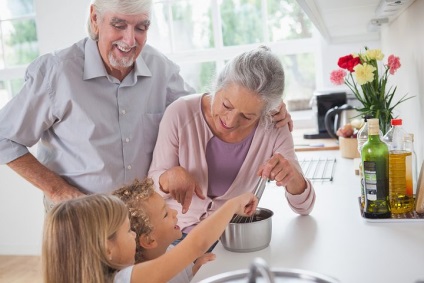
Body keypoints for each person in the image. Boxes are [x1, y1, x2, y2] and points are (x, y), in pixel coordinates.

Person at [0, 0, 292, 209]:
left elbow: (206, 113)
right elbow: (5, 137)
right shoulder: (56, 73)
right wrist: (59, 191)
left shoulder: (160, 69)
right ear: (94, 18)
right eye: (119, 25)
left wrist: (269, 108)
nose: (130, 40)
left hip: (144, 223)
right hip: (81, 220)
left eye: (141, 27)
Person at [148, 46, 316, 240]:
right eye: (226, 105)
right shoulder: (180, 113)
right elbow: (151, 189)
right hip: (174, 238)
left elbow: (304, 207)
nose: (230, 121)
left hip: (232, 240)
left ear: (266, 111)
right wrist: (168, 178)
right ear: (218, 86)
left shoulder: (274, 125)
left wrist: (292, 177)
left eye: (247, 116)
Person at [42, 191, 258, 283]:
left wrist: (192, 271)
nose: (134, 235)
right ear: (107, 249)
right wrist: (231, 206)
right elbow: (196, 244)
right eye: (128, 231)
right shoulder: (124, 279)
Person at [112, 178, 214, 283]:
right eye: (165, 214)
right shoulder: (141, 279)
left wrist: (195, 271)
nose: (174, 212)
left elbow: (186, 278)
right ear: (149, 240)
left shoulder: (171, 250)